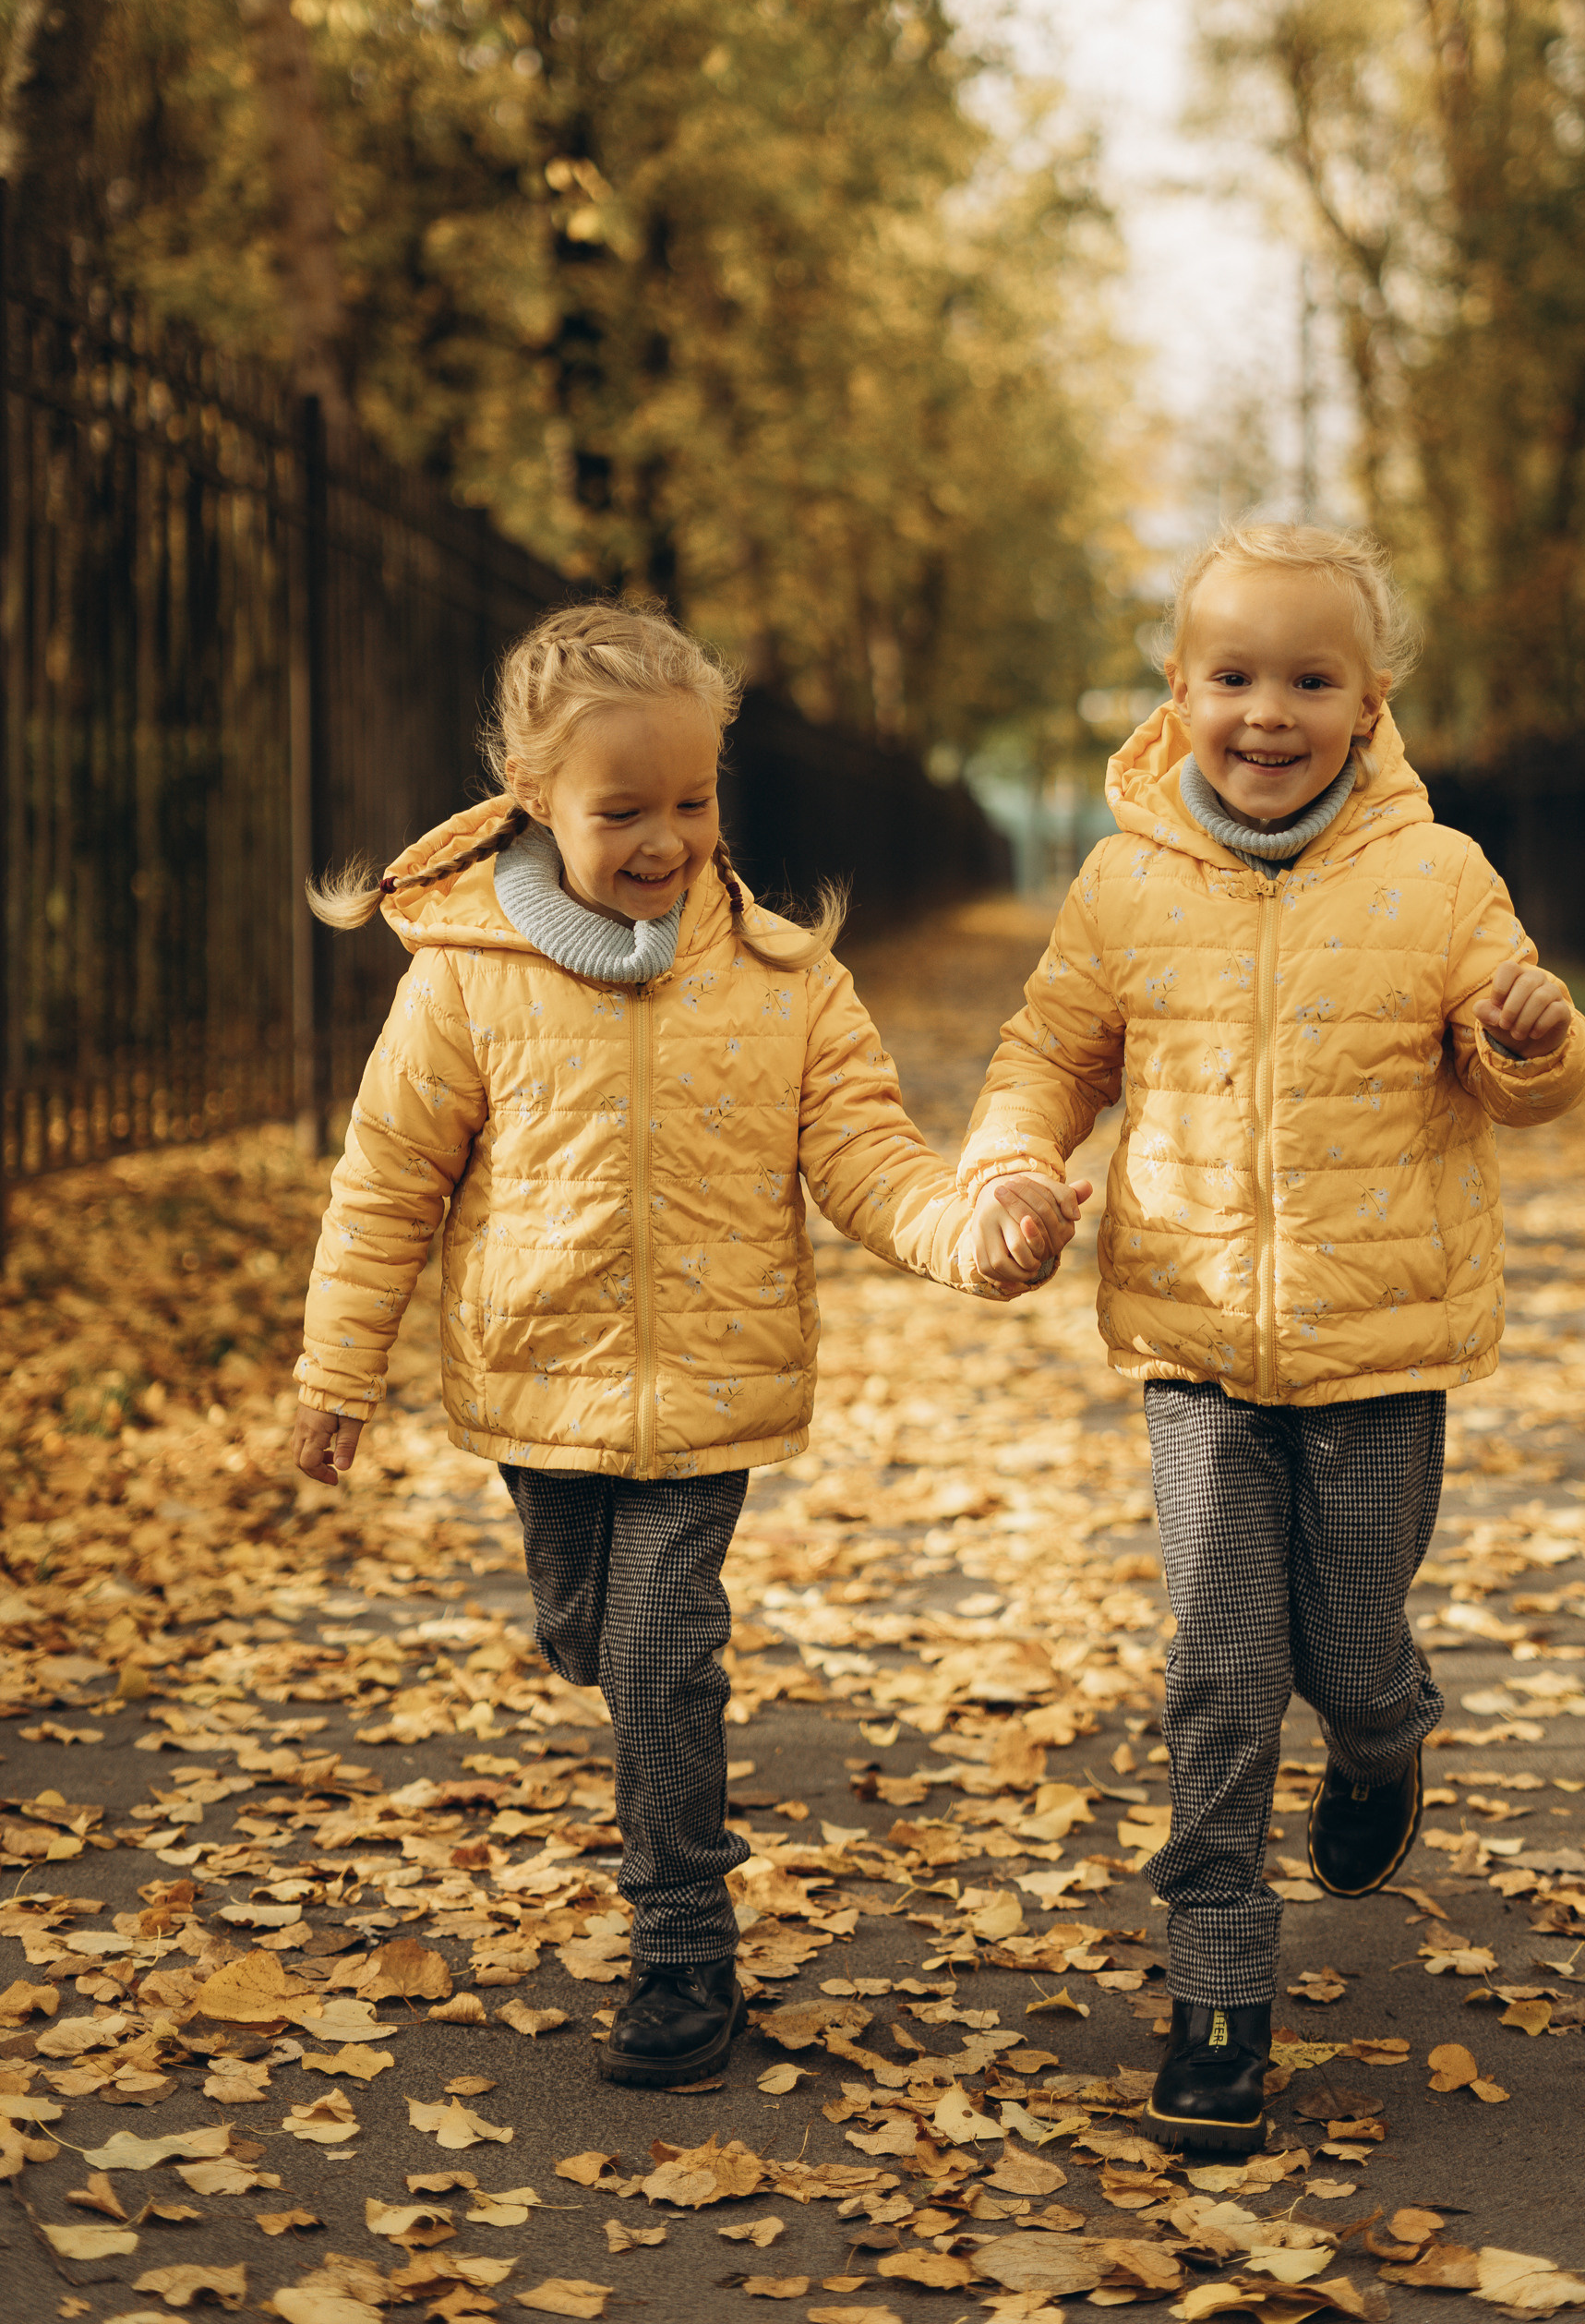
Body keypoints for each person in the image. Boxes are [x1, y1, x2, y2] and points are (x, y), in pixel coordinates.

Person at [290, 597, 1085, 2092]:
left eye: (695, 801)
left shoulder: (783, 980)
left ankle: (683, 1950)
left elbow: (870, 1159)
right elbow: (388, 1180)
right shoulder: (462, 974)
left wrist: (980, 1233)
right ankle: (622, 1697)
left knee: (662, 1647)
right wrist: (339, 1371)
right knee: (588, 1635)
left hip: (711, 1391)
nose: (668, 839)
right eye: (625, 810)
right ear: (536, 798)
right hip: (537, 1384)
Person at [958, 522, 1585, 2159]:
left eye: (1310, 681)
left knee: (1349, 1634)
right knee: (1224, 1668)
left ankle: (1382, 1735)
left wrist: (1533, 1039)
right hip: (1195, 1349)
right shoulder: (1123, 882)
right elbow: (1049, 1055)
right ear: (1177, 694)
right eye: (1232, 676)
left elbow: (1520, 1056)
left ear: (1369, 703)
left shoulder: (1437, 875)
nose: (1267, 712)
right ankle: (1220, 1991)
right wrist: (1015, 1164)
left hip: (1378, 1347)